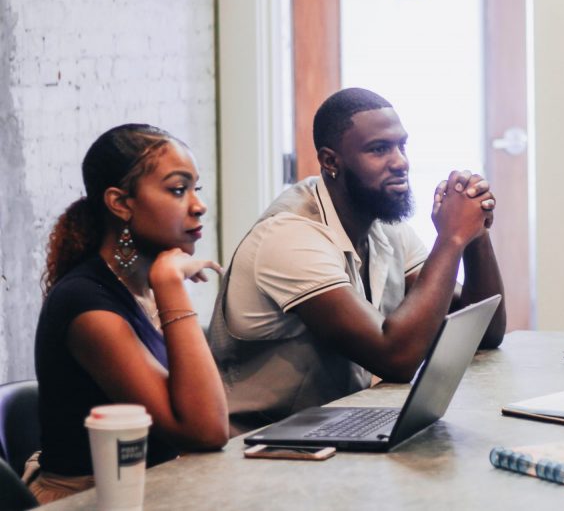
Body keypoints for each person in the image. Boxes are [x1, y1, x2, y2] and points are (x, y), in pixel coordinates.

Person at [209, 88, 506, 434]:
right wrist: (451, 238)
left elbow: (485, 332)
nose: (400, 162)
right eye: (379, 150)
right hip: (257, 447)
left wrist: (476, 231)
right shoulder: (290, 235)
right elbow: (396, 358)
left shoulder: (382, 224)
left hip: (334, 430)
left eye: (402, 146)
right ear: (331, 161)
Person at [28, 124, 228, 503]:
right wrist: (172, 286)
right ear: (121, 203)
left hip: (149, 489)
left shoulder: (141, 287)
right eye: (177, 189)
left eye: (195, 189)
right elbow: (205, 430)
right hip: (87, 500)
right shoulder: (86, 305)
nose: (198, 205)